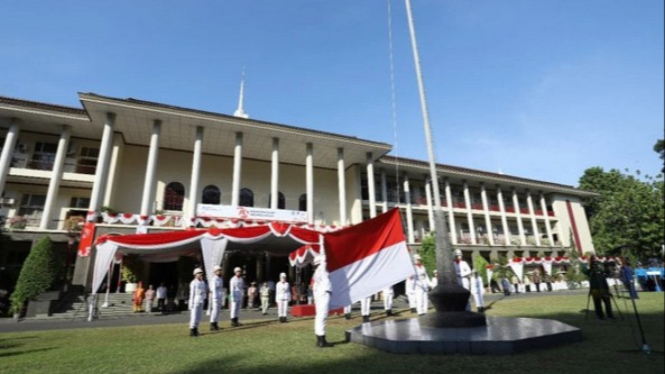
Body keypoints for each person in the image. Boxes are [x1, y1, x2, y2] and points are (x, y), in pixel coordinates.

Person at [312, 255, 333, 348]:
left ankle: (319, 338)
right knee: (322, 316)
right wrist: (322, 246)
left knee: (319, 316)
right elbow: (324, 260)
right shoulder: (321, 269)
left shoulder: (316, 272)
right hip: (323, 293)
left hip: (319, 294)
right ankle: (322, 341)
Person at [209, 265, 223, 331]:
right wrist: (215, 298)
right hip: (215, 297)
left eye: (220, 270)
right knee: (214, 311)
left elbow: (221, 288)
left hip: (219, 296)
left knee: (218, 311)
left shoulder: (220, 279)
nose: (219, 272)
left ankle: (216, 323)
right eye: (218, 271)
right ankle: (212, 323)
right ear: (215, 272)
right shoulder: (214, 280)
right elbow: (213, 289)